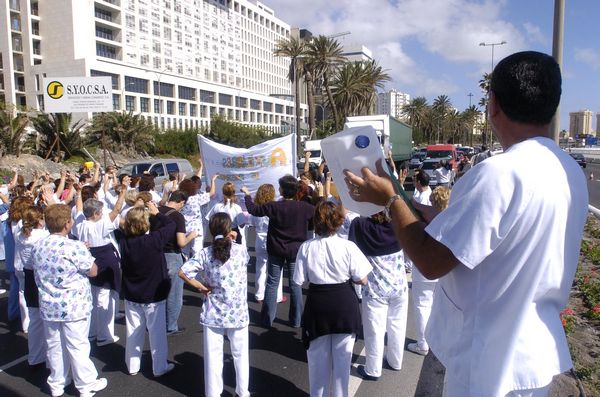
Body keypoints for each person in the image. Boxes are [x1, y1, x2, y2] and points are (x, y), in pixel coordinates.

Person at [344, 51, 589, 397]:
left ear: (492, 105)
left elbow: (430, 261)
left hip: (489, 367)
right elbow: (474, 230)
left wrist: (389, 200)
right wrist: (404, 197)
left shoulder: (499, 173)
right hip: (532, 358)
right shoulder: (568, 172)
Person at [294, 201, 371, 397]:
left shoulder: (306, 247)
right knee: (342, 364)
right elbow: (363, 279)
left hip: (318, 304)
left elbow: (298, 280)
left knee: (317, 361)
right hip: (344, 304)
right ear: (337, 221)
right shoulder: (348, 246)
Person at [32, 204, 108, 397]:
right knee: (77, 345)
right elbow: (93, 271)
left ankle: (57, 383)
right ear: (67, 223)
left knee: (55, 346)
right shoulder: (73, 246)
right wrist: (84, 252)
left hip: (49, 305)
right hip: (74, 305)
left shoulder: (38, 245)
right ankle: (85, 384)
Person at [178, 213, 251, 397]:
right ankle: (243, 391)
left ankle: (213, 393)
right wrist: (234, 238)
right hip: (238, 312)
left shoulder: (205, 253)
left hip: (213, 312)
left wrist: (201, 287)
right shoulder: (241, 250)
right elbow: (245, 261)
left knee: (213, 357)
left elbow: (183, 272)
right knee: (240, 355)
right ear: (229, 230)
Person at [242, 175, 322, 328]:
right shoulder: (305, 208)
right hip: (295, 251)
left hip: (276, 249)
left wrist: (247, 195)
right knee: (295, 284)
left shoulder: (274, 206)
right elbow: (320, 214)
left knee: (272, 283)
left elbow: (253, 209)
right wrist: (320, 194)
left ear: (282, 190)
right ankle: (297, 320)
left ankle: (266, 319)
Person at [348, 211, 409, 380]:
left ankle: (373, 369)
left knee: (374, 330)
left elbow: (352, 249)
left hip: (375, 288)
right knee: (397, 325)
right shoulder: (397, 222)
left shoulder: (360, 225)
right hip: (399, 286)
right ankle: (395, 361)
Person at [120, 203, 176, 377]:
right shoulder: (153, 240)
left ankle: (132, 365)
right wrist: (158, 213)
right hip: (153, 295)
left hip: (132, 294)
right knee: (156, 333)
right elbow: (171, 225)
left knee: (132, 332)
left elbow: (119, 224)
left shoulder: (124, 241)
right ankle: (159, 367)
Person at [74, 189, 125, 346]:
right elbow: (117, 210)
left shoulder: (80, 224)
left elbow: (79, 208)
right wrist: (123, 192)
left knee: (94, 298)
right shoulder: (100, 225)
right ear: (95, 213)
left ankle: (92, 332)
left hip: (90, 259)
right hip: (104, 260)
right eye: (100, 211)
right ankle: (104, 335)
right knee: (104, 300)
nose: (102, 213)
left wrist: (78, 193)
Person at [407, 186, 450, 357]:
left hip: (424, 266)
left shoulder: (424, 219)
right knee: (440, 305)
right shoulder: (453, 220)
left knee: (422, 305)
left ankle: (423, 342)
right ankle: (440, 339)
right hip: (445, 268)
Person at [150, 190, 197, 336]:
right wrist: (192, 235)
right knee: (174, 294)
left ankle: (154, 322)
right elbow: (181, 242)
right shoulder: (178, 216)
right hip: (172, 256)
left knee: (158, 292)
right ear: (181, 202)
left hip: (156, 254)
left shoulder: (155, 212)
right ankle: (171, 326)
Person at [16, 205, 49, 367]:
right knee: (49, 322)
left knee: (35, 320)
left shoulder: (20, 235)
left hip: (29, 276)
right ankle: (50, 358)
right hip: (42, 277)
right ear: (39, 220)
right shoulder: (43, 235)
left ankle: (35, 356)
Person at [246, 184, 284, 303]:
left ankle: (259, 294)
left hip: (259, 239)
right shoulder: (275, 208)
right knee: (277, 268)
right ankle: (277, 296)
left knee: (260, 267)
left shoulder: (257, 209)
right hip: (273, 239)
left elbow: (251, 222)